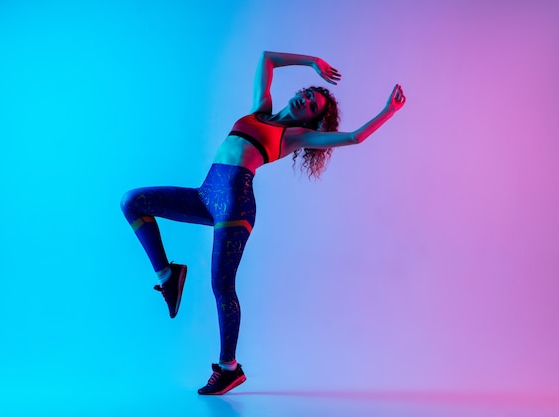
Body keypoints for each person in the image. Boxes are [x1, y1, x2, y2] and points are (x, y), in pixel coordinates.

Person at [120, 51, 406, 395]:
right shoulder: (260, 109)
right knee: (133, 201)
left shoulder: (295, 136)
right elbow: (266, 59)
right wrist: (312, 62)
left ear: (311, 119)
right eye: (307, 93)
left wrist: (388, 112)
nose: (305, 98)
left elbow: (354, 138)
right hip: (206, 194)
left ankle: (230, 367)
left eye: (312, 104)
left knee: (221, 285)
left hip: (236, 205)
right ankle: (168, 276)